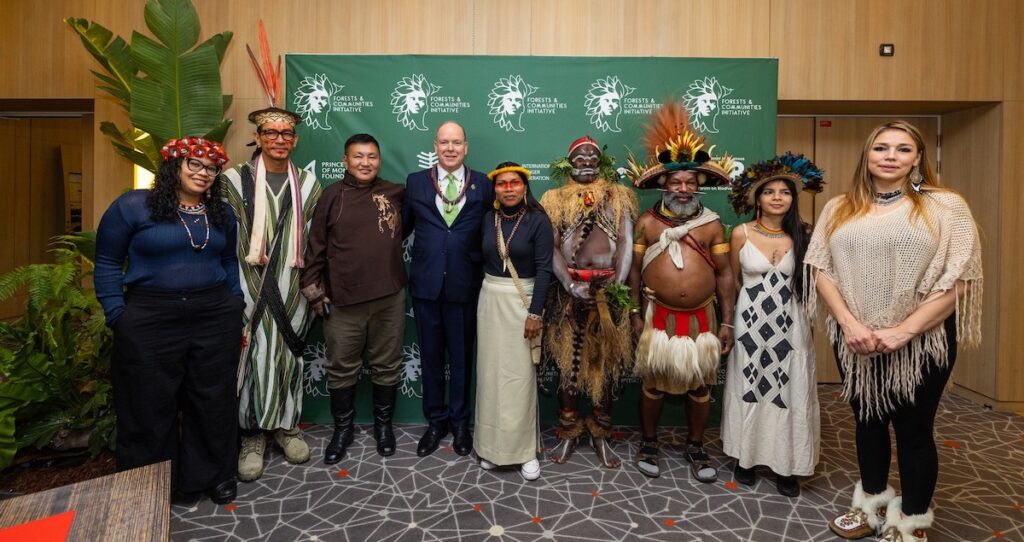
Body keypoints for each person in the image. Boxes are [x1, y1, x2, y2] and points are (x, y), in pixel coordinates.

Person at [806, 121, 982, 542]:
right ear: (866, 156)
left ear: (918, 158)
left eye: (903, 149)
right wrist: (849, 324)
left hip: (922, 339)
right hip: (855, 339)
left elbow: (960, 279)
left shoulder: (945, 206)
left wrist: (904, 331)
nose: (890, 156)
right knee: (867, 420)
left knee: (914, 429)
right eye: (881, 148)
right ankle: (870, 505)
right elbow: (821, 270)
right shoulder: (839, 207)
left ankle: (912, 521)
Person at [94, 137, 242, 504]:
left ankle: (212, 476)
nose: (203, 173)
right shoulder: (132, 206)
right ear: (173, 165)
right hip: (149, 316)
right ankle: (151, 484)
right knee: (147, 403)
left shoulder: (222, 213)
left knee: (212, 399)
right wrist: (117, 313)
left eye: (211, 168)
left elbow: (228, 261)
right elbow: (108, 263)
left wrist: (234, 302)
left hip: (213, 315)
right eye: (194, 164)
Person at [625, 101, 735, 482]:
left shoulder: (713, 225)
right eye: (676, 183)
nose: (684, 189)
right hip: (659, 316)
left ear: (699, 186)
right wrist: (636, 315)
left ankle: (696, 445)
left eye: (690, 182)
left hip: (703, 317)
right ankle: (650, 442)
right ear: (664, 185)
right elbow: (633, 275)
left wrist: (728, 323)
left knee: (700, 385)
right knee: (654, 382)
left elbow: (724, 276)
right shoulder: (647, 224)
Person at [222, 106, 322, 482]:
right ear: (259, 138)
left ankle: (286, 426)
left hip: (293, 287)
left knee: (288, 357)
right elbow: (222, 236)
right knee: (254, 356)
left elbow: (317, 241)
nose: (279, 140)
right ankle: (252, 436)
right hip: (250, 285)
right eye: (271, 133)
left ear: (294, 140)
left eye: (286, 134)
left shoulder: (310, 184)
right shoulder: (233, 180)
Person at [721, 153, 825, 497]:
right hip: (750, 323)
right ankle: (746, 459)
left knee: (789, 390)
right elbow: (733, 281)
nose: (778, 197)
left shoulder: (805, 234)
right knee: (750, 384)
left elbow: (812, 285)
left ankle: (787, 465)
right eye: (770, 192)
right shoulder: (741, 233)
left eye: (785, 192)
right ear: (757, 197)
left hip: (790, 324)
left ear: (793, 199)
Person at [300, 134, 406, 462]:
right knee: (341, 368)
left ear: (379, 160)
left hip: (389, 297)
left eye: (372, 156)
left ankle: (383, 427)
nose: (365, 162)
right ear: (345, 160)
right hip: (342, 301)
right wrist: (315, 294)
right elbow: (315, 248)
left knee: (387, 365)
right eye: (358, 157)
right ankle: (342, 429)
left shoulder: (396, 193)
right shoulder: (332, 196)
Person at [541, 136, 638, 469]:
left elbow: (625, 242)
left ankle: (600, 433)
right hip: (568, 292)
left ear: (602, 161)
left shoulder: (620, 197)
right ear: (569, 162)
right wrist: (569, 284)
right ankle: (568, 432)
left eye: (592, 156)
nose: (585, 160)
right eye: (579, 156)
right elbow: (550, 247)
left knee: (606, 365)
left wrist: (617, 286)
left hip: (608, 292)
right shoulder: (554, 200)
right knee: (569, 367)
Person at [402, 121, 494, 457]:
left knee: (461, 359)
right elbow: (400, 230)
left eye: (457, 142)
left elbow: (494, 230)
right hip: (426, 286)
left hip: (465, 286)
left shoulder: (483, 184)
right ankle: (436, 421)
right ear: (435, 146)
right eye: (444, 142)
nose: (450, 148)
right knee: (429, 357)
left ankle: (460, 424)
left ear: (466, 147)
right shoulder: (415, 183)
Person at [474, 161, 553, 481]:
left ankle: (524, 453)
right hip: (491, 298)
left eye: (514, 183)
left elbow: (545, 269)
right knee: (491, 377)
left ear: (524, 187)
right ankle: (492, 448)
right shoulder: (487, 219)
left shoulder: (538, 221)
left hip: (523, 302)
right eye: (502, 184)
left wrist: (535, 313)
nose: (508, 189)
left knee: (519, 379)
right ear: (494, 189)